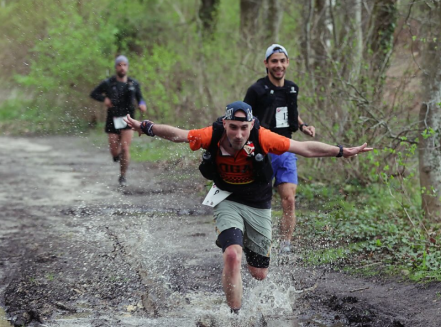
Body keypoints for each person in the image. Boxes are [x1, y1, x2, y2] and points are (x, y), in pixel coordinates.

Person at [124, 101, 371, 313]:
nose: (239, 134)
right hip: (226, 198)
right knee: (232, 255)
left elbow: (304, 148)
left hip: (258, 203)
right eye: (233, 127)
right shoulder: (212, 134)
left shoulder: (263, 137)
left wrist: (341, 151)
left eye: (244, 128)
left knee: (258, 273)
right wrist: (146, 126)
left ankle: (248, 282)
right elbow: (179, 134)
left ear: (251, 125)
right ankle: (236, 317)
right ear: (225, 124)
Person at [244, 44, 315, 254]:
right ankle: (254, 239)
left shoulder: (292, 88)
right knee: (258, 199)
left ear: (288, 63)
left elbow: (290, 111)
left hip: (286, 148)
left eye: (282, 61)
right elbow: (244, 118)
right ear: (266, 63)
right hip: (262, 151)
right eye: (274, 61)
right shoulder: (256, 90)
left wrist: (303, 126)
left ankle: (286, 244)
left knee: (289, 199)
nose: (279, 65)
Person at [90, 55, 147, 186]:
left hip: (128, 119)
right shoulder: (108, 83)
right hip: (113, 118)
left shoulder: (133, 84)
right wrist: (104, 99)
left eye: (124, 65)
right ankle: (117, 156)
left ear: (127, 67)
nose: (122, 67)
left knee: (126, 148)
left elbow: (140, 98)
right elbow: (94, 93)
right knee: (115, 151)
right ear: (116, 67)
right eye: (119, 65)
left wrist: (142, 104)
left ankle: (123, 176)